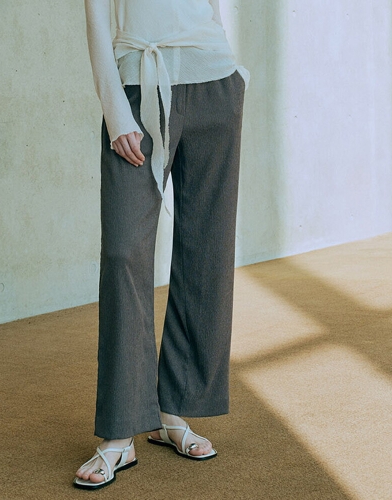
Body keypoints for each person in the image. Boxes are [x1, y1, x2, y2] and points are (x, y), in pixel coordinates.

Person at [74, 0, 249, 490]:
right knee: (124, 252)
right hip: (138, 87)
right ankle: (120, 432)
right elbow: (96, 19)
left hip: (215, 84)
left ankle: (175, 410)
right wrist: (116, 112)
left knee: (206, 250)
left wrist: (233, 73)